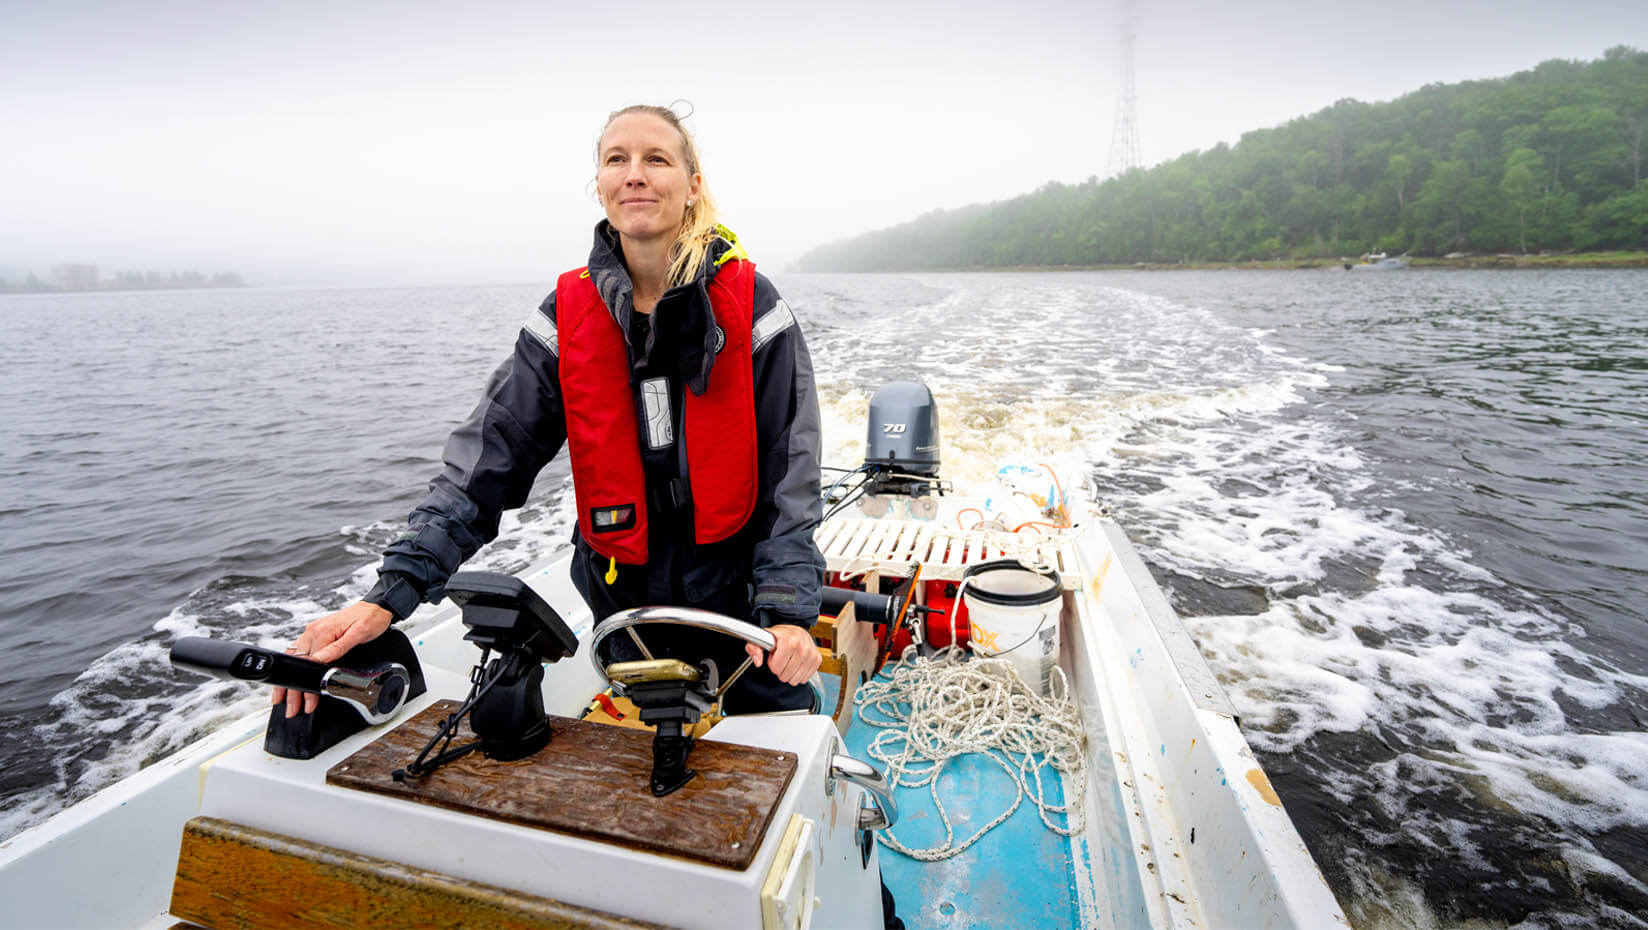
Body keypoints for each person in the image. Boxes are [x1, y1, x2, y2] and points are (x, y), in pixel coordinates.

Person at [274, 103, 826, 713]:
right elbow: (487, 465)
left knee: (774, 741)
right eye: (616, 160)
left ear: (693, 186)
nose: (634, 174)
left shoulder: (753, 306)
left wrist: (789, 611)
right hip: (626, 593)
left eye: (656, 159)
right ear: (600, 186)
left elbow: (789, 471)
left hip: (743, 593)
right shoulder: (567, 317)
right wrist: (389, 595)